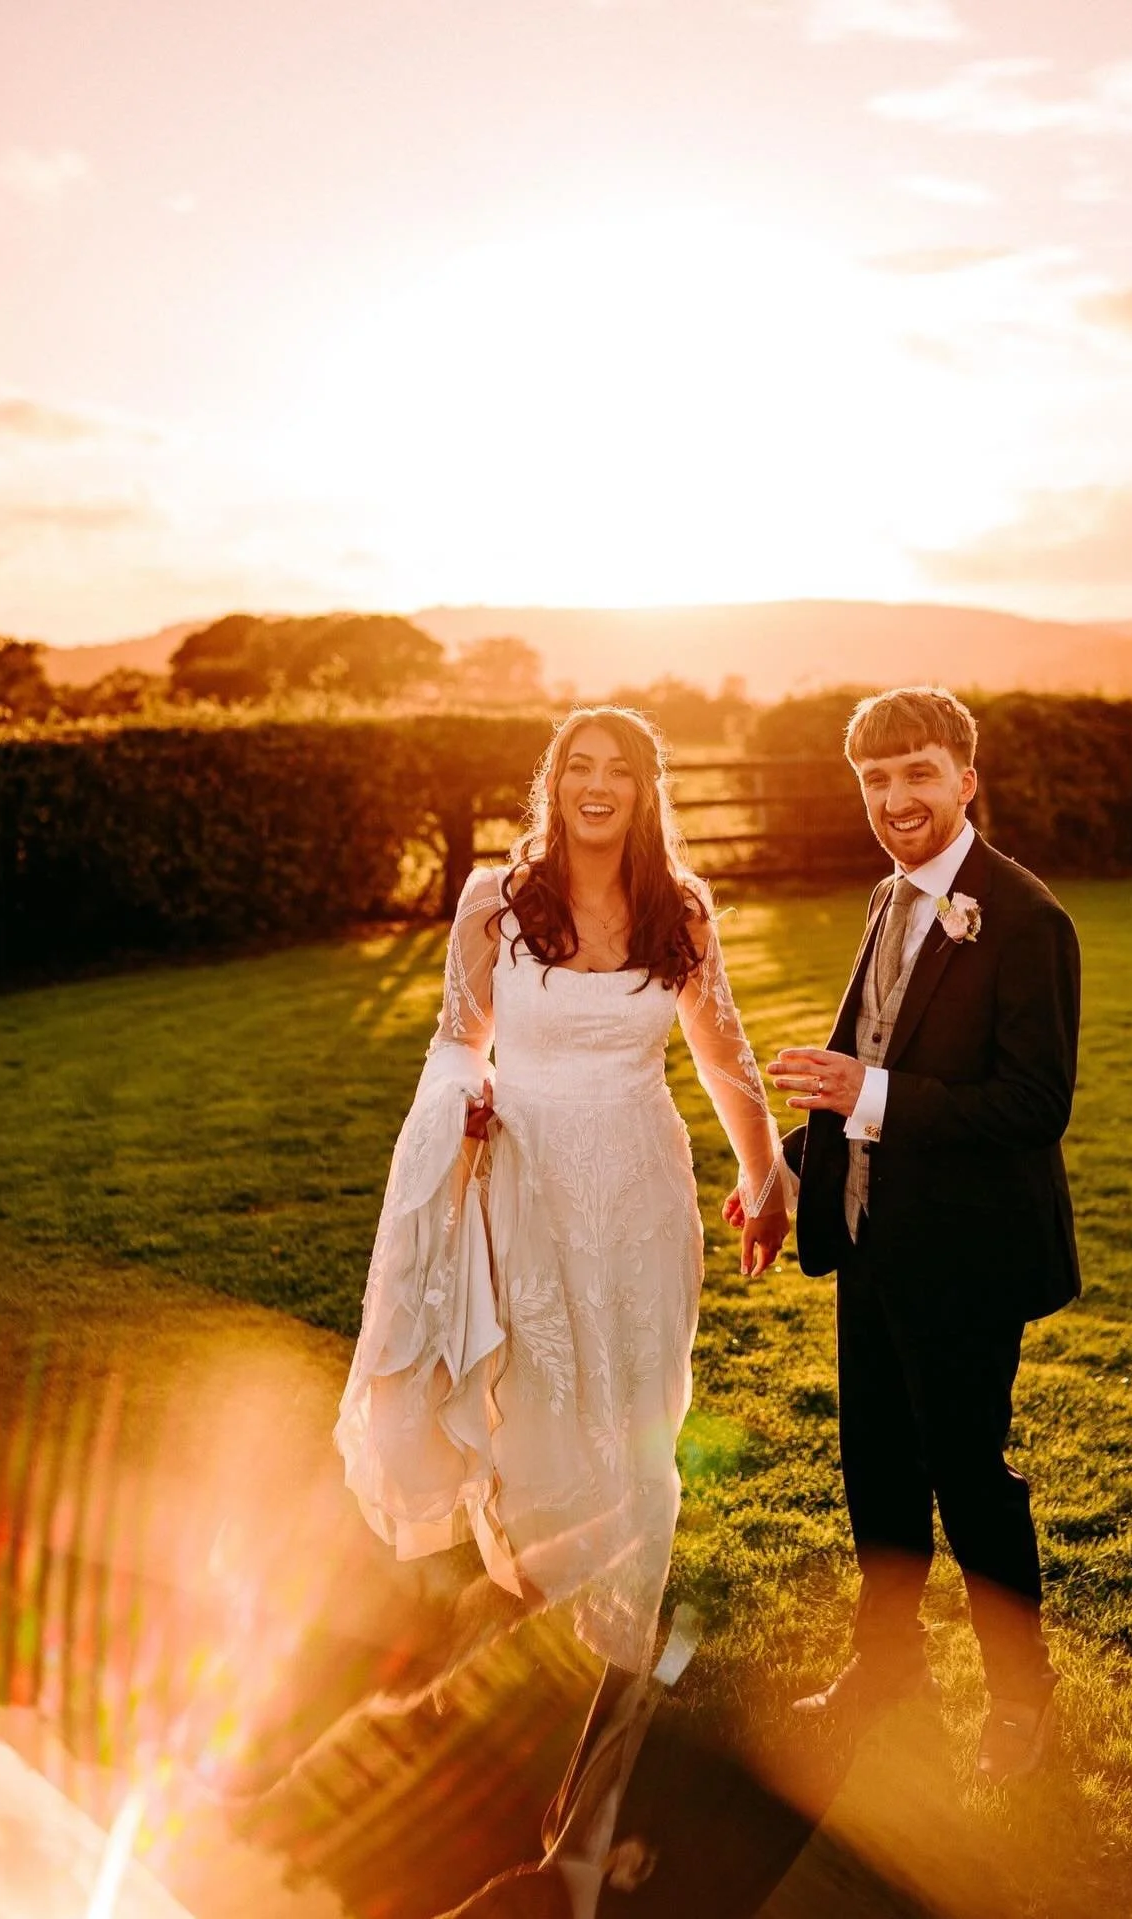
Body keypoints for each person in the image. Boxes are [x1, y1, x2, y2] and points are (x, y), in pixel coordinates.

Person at [334, 705, 790, 1869]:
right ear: (553, 783)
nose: (597, 787)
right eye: (577, 768)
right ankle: (515, 1601)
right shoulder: (495, 898)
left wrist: (766, 1168)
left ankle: (619, 1670)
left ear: (646, 790)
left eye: (619, 772)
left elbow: (721, 1049)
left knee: (641, 1424)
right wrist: (462, 1106)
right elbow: (455, 1040)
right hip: (525, 1190)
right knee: (535, 1409)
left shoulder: (681, 909)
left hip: (641, 1195)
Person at [735, 685, 1080, 1785]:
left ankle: (1021, 1699)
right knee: (875, 1471)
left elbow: (1036, 1103)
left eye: (918, 773)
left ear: (966, 780)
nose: (896, 799)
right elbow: (854, 1055)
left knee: (969, 1478)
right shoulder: (888, 900)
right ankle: (887, 1664)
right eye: (876, 780)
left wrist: (871, 1091)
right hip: (869, 1241)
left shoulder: (1025, 917)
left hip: (968, 1257)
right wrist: (788, 1173)